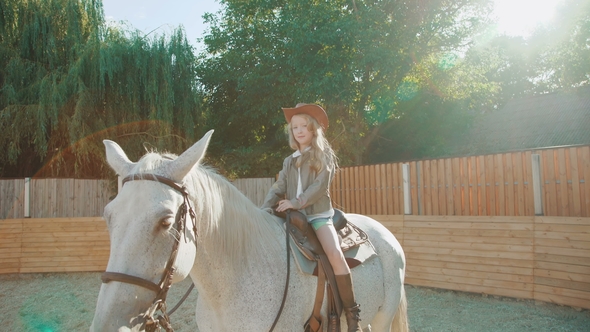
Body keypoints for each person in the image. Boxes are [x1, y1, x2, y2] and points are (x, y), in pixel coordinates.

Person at [261, 103, 362, 332]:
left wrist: (295, 202)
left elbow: (319, 187)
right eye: (294, 127)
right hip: (294, 215)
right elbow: (279, 186)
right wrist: (265, 209)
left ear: (313, 129)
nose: (298, 131)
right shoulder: (289, 160)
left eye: (303, 126)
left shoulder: (322, 156)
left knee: (335, 254)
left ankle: (352, 312)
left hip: (317, 215)